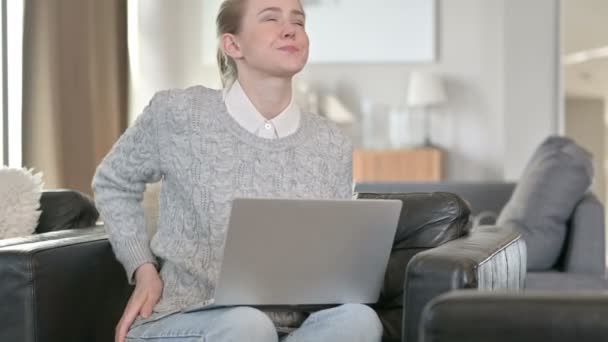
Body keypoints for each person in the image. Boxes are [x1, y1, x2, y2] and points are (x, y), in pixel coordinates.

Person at [92, 0, 383, 341]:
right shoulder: (179, 113)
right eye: (271, 18)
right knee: (247, 324)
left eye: (299, 21)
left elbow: (331, 257)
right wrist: (142, 268)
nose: (290, 29)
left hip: (294, 329)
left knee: (359, 320)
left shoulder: (331, 143)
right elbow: (113, 181)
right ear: (233, 45)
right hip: (187, 318)